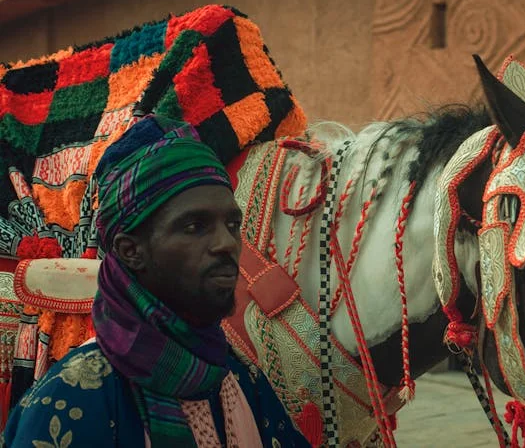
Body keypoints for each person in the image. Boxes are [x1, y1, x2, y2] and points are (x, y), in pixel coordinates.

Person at [2, 116, 309, 447]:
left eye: (232, 224)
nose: (226, 243)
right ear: (131, 250)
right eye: (195, 226)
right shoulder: (71, 401)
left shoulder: (239, 377)